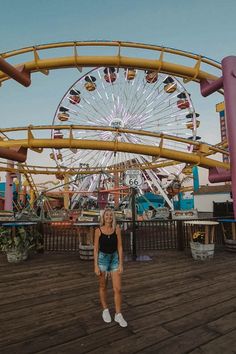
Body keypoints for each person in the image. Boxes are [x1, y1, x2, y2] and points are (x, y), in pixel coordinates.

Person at [94, 208, 127, 327]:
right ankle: (105, 310)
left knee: (117, 289)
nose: (108, 217)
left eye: (110, 215)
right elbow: (96, 249)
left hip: (114, 259)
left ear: (113, 217)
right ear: (103, 217)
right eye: (106, 215)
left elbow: (120, 247)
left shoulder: (117, 230)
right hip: (102, 259)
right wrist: (96, 265)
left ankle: (118, 314)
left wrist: (121, 264)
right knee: (103, 285)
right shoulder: (98, 231)